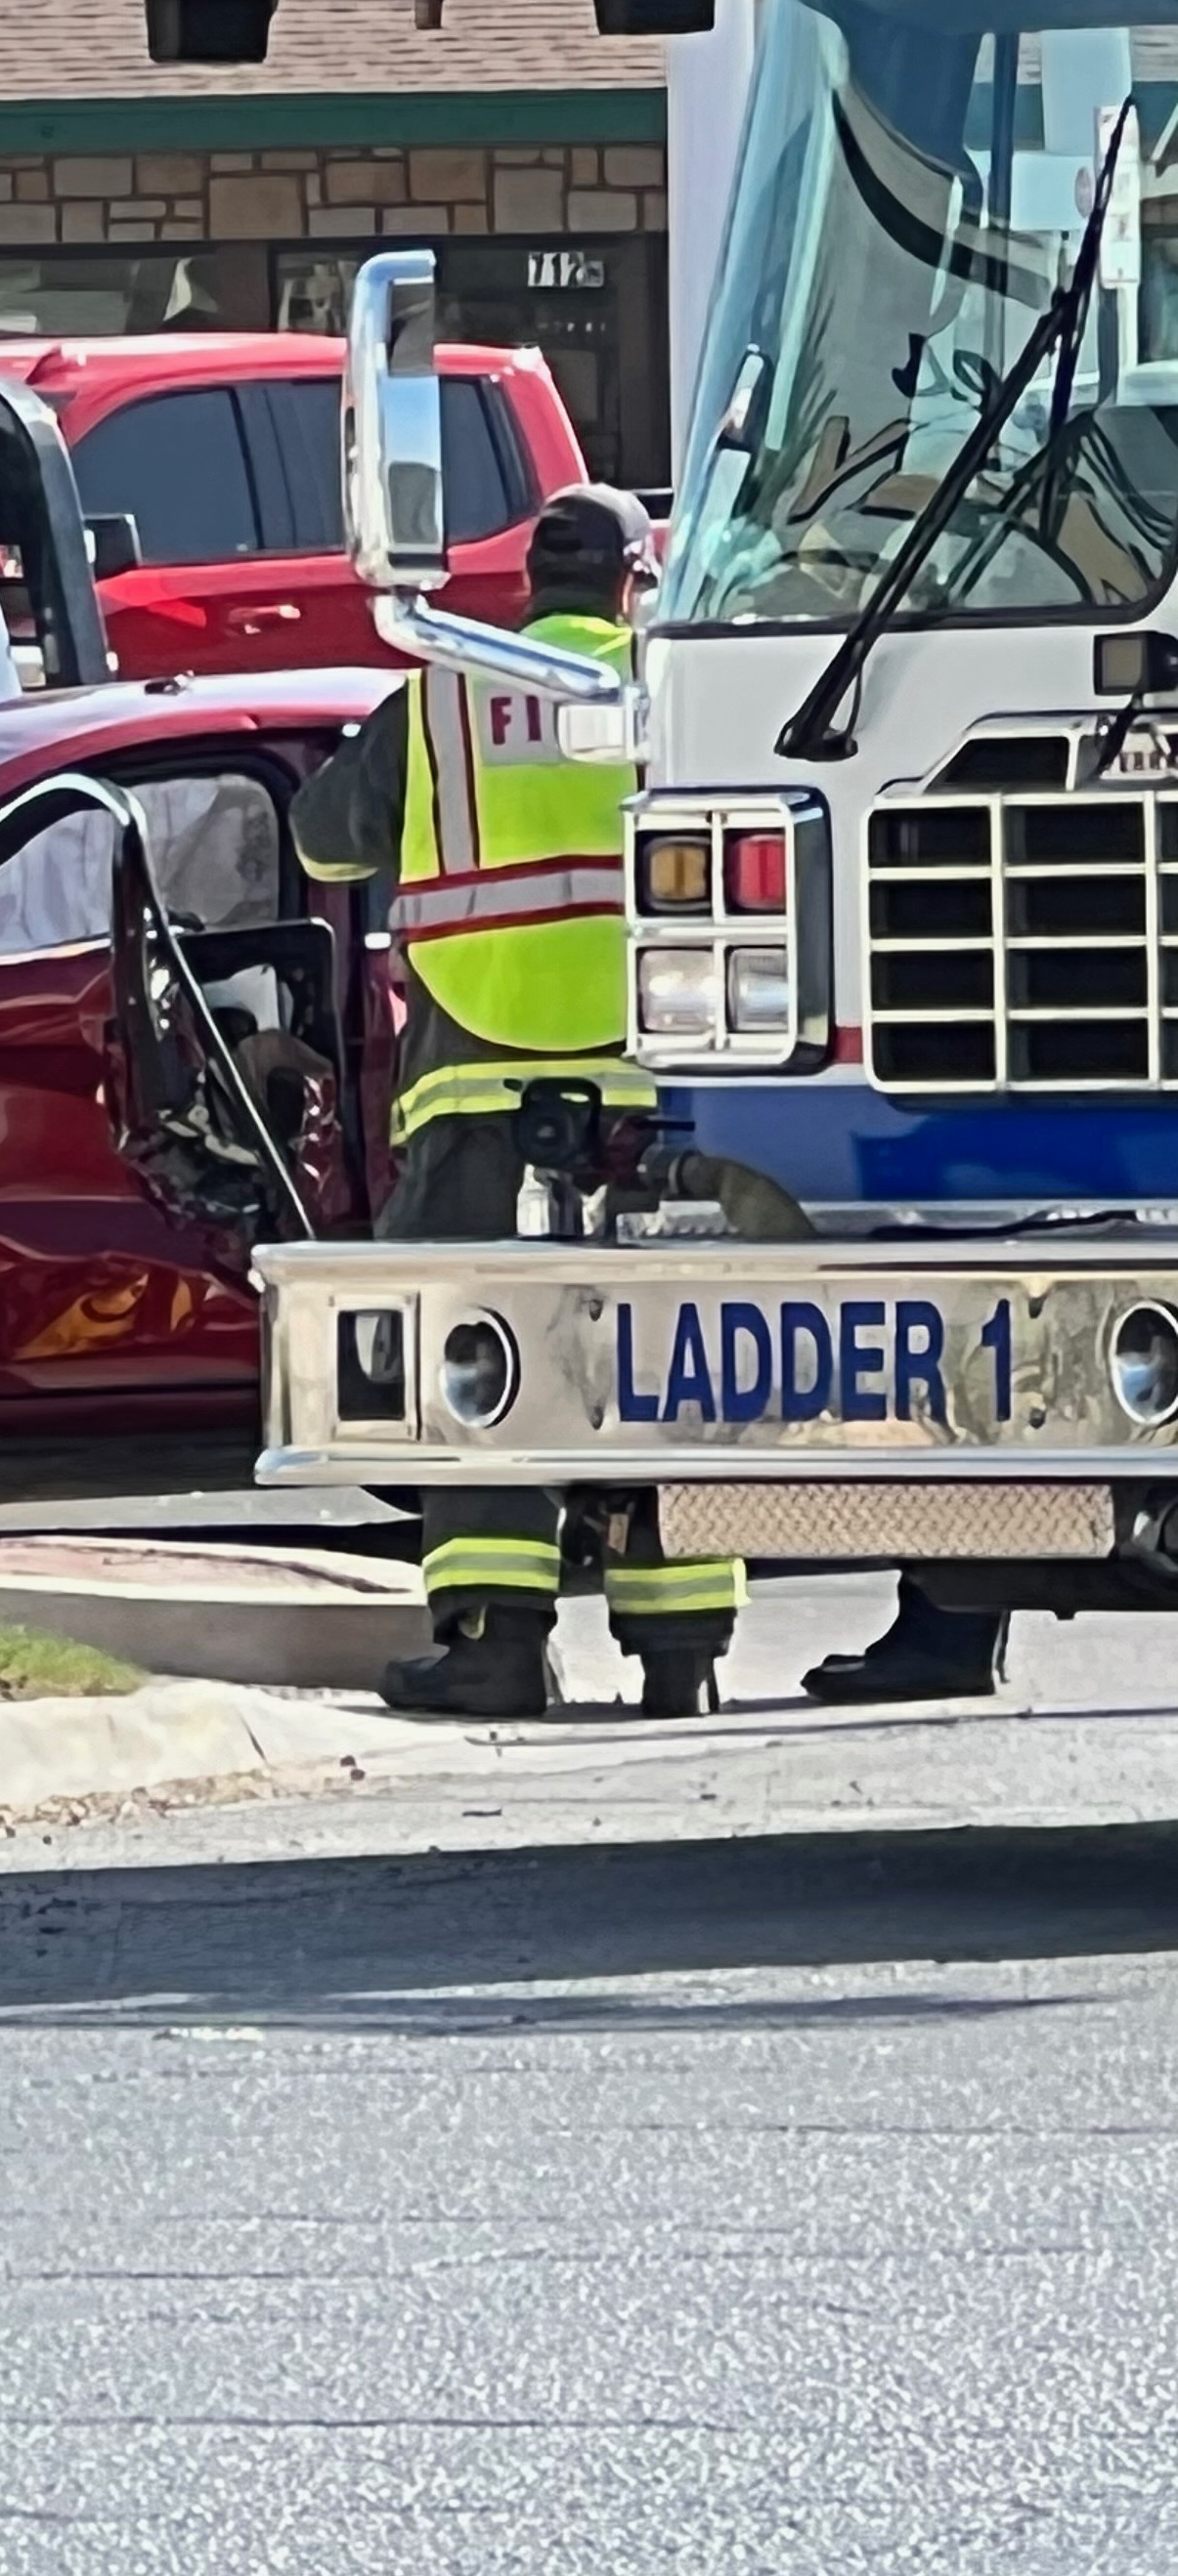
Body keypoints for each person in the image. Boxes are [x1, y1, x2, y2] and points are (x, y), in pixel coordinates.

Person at [298, 483, 744, 1719]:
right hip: (657, 1087)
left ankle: (494, 1646)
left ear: (524, 587)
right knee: (666, 1358)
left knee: (479, 1357)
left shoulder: (443, 691)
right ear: (633, 583)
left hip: (473, 1079)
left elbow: (323, 842)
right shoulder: (676, 694)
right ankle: (681, 1653)